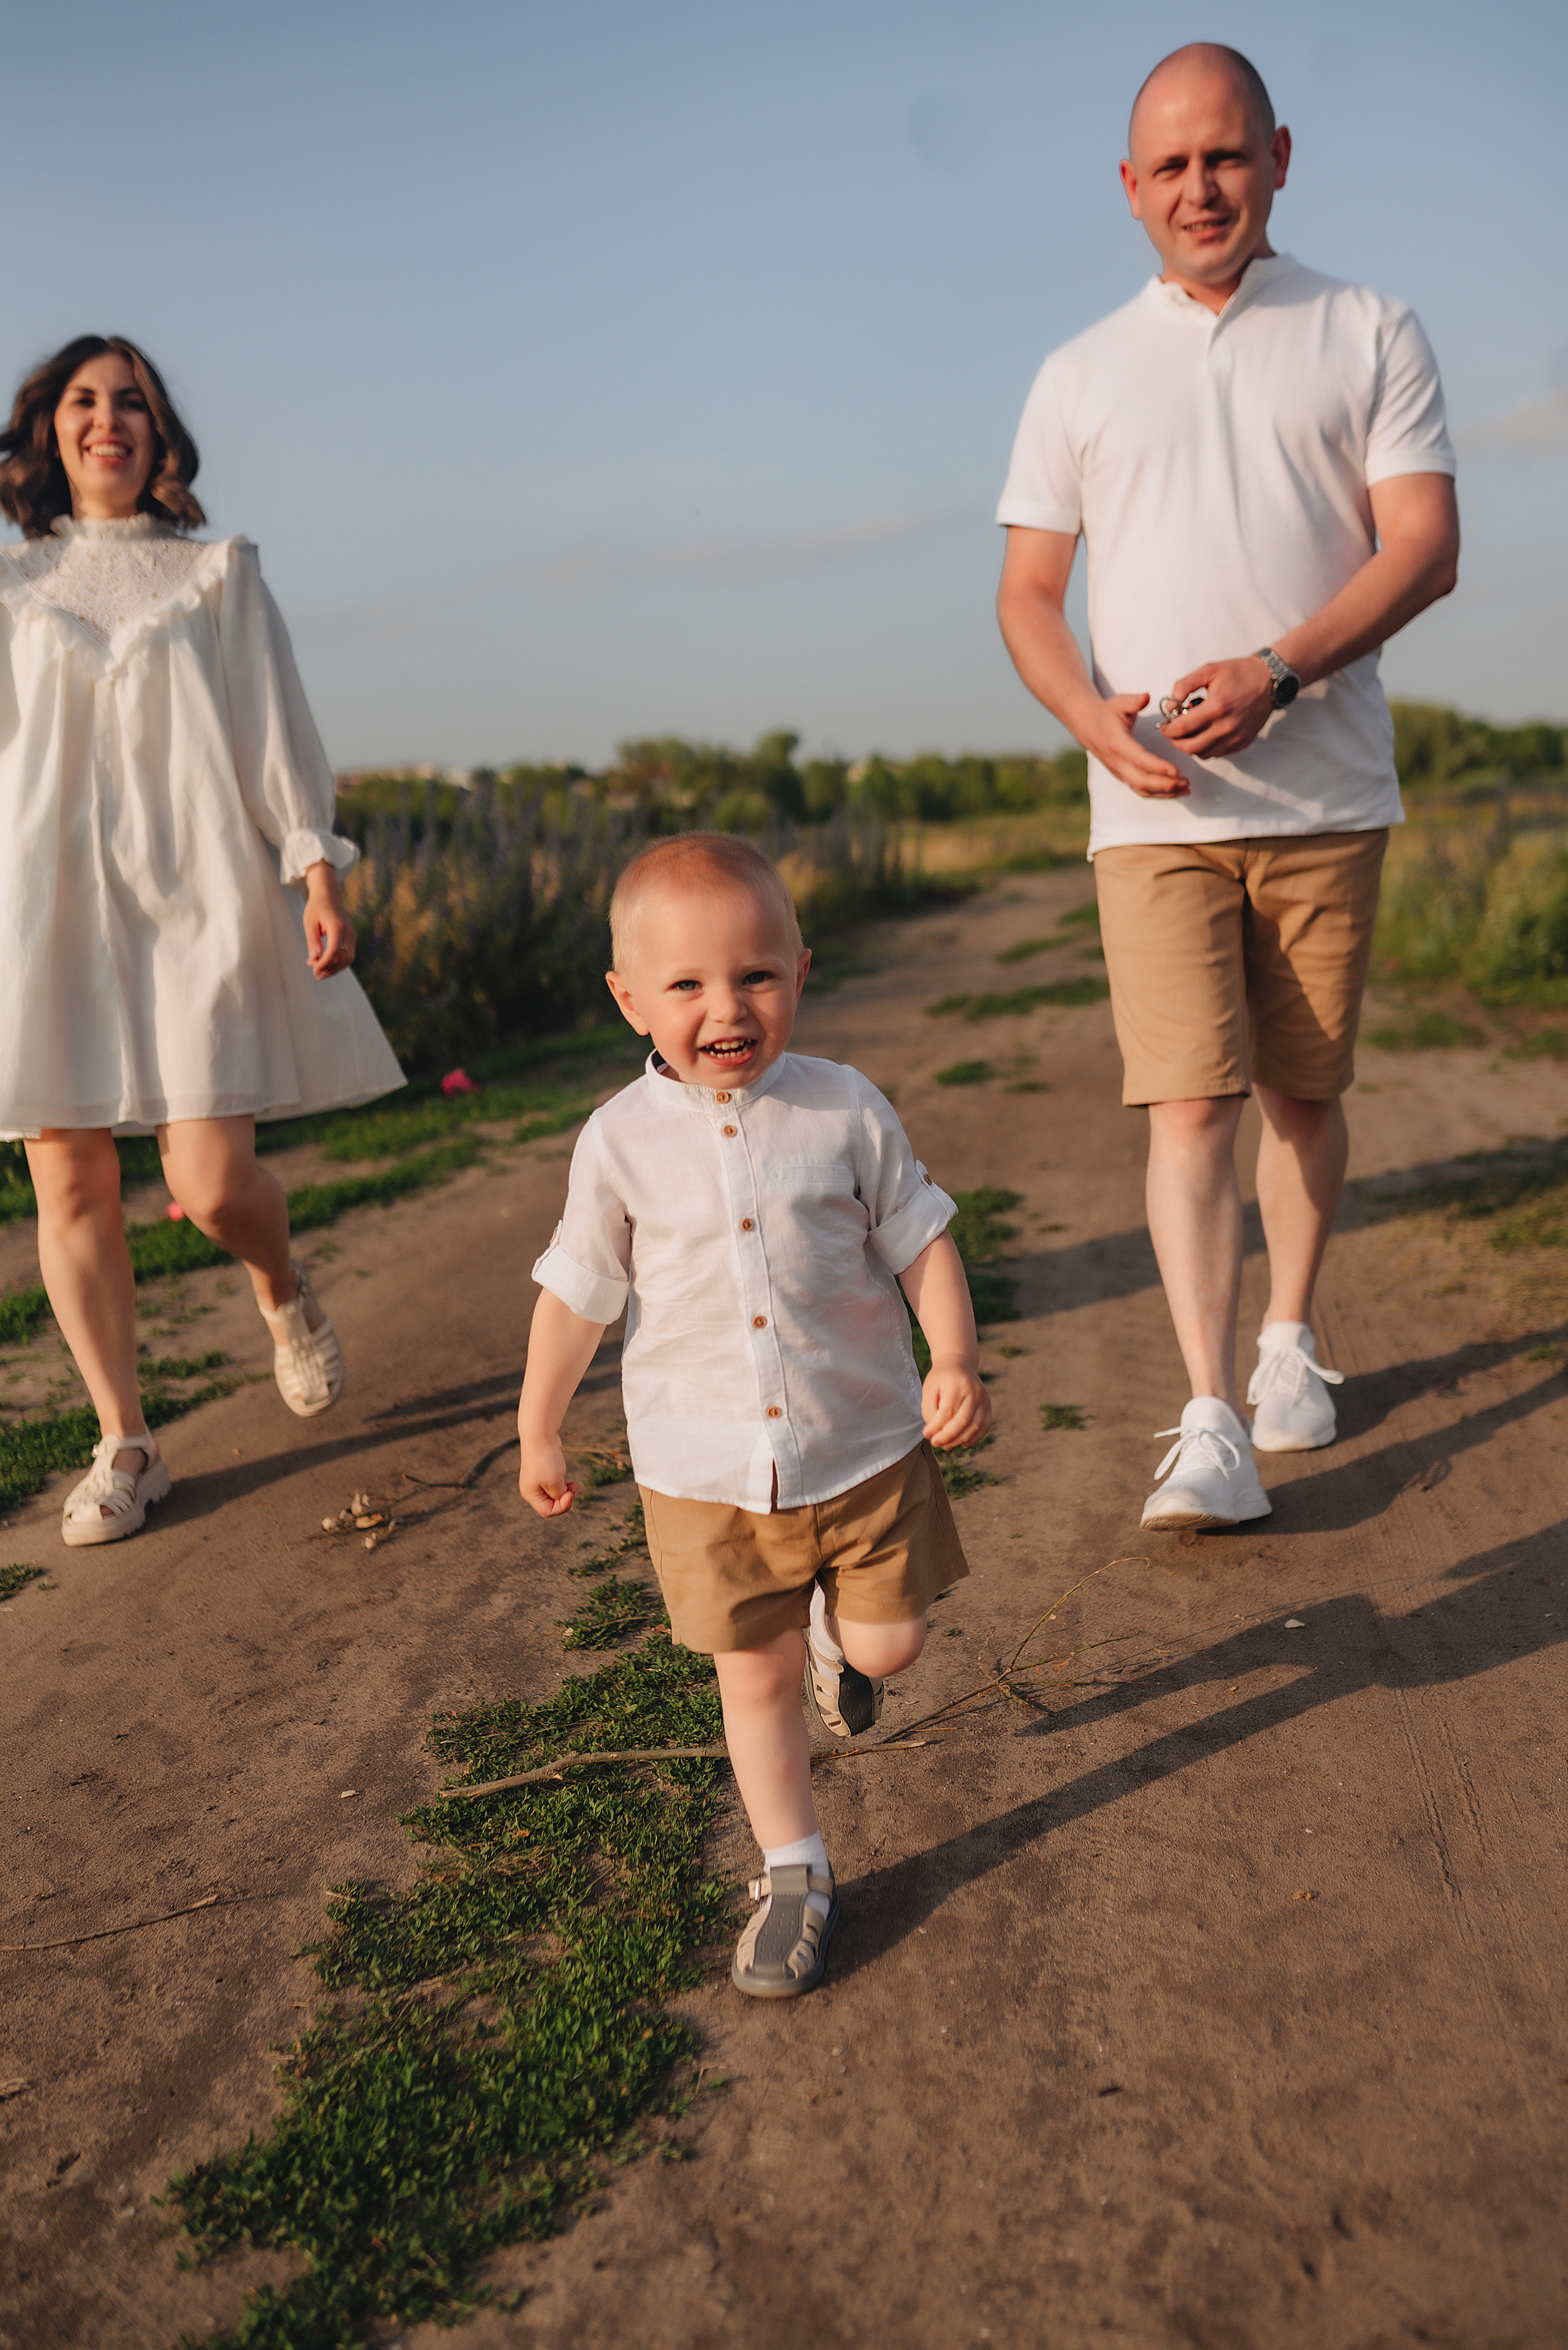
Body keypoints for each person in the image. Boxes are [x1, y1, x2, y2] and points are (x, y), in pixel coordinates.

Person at [995, 44, 1458, 1530]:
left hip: (1323, 798)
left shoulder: (1365, 326)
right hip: (1155, 814)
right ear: (1127, 190)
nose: (1202, 187)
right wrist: (1087, 718)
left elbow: (1421, 548)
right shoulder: (1075, 373)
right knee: (1186, 1106)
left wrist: (1278, 666)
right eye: (1170, 166)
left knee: (1300, 1096)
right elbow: (1023, 594)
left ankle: (1286, 1340)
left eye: (1227, 156)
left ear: (1276, 153)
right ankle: (1207, 1416)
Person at [516, 834, 991, 1996]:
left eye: (756, 976)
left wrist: (957, 1353)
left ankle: (846, 1642)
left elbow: (920, 1238)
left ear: (801, 971)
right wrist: (539, 1423)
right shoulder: (619, 1142)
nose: (726, 1006)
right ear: (629, 998)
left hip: (866, 1450)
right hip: (707, 1477)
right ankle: (795, 1868)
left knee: (893, 1641)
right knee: (753, 1681)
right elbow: (579, 1290)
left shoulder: (844, 1108)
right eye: (686, 985)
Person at [0, 335, 404, 1549]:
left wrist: (314, 869)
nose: (106, 418)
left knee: (210, 1184)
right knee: (67, 1181)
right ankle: (123, 1438)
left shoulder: (219, 572)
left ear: (161, 434)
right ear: (48, 432)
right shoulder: (11, 592)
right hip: (45, 904)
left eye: (131, 400)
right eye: (82, 400)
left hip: (195, 898)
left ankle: (278, 1284)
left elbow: (275, 729)